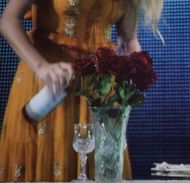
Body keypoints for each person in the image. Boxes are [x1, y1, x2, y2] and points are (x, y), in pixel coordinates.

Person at [0, 0, 163, 181]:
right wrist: (41, 67)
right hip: (50, 82)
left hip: (99, 90)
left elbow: (128, 38)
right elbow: (8, 20)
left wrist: (138, 69)